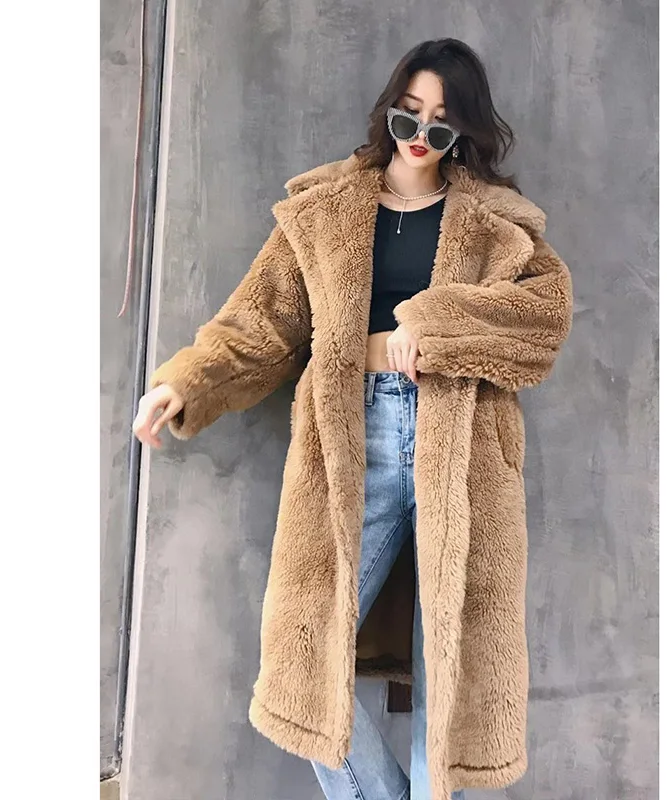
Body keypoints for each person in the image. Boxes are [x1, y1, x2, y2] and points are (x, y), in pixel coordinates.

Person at [133, 38, 573, 800]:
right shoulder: (326, 210)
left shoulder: (496, 226)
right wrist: (186, 380)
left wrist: (432, 323)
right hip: (351, 440)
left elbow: (545, 317)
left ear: (463, 131)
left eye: (441, 123)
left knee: (451, 670)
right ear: (389, 108)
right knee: (299, 662)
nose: (420, 135)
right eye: (410, 114)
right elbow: (262, 323)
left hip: (462, 447)